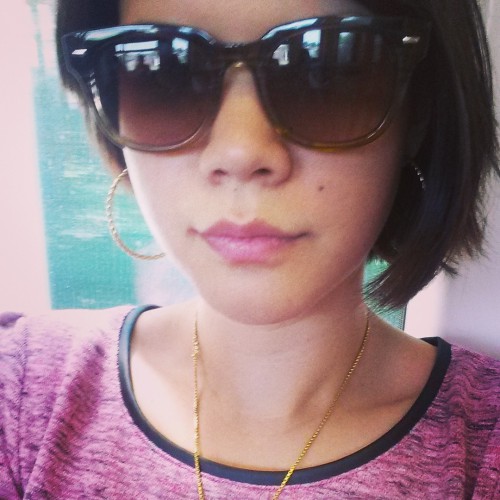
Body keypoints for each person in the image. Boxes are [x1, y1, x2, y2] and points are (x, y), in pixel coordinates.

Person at [1, 0, 499, 498]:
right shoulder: (21, 387)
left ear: (417, 116)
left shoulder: (484, 443)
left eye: (326, 72)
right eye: (164, 75)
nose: (240, 151)